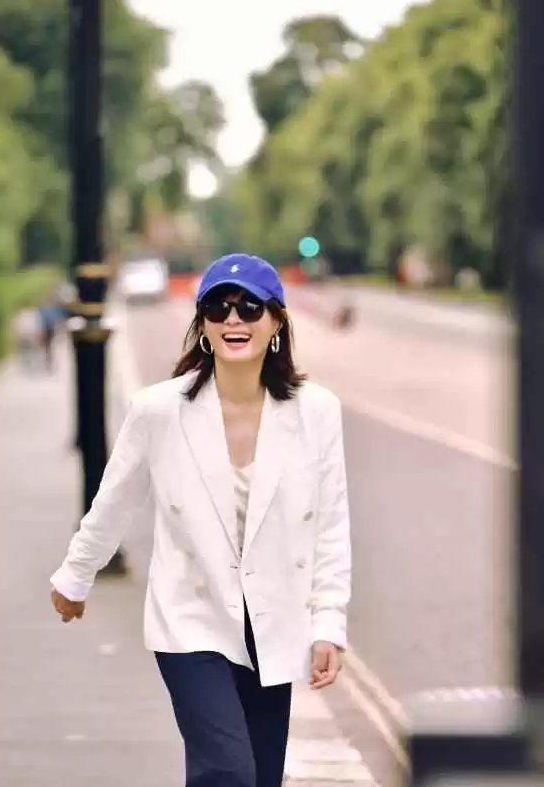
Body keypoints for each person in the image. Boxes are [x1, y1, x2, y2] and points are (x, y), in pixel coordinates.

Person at [50, 253, 352, 787]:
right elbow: (115, 500)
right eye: (218, 308)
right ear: (203, 325)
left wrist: (328, 625)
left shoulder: (316, 411)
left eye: (250, 308)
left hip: (272, 618)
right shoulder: (159, 410)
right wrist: (76, 576)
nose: (233, 319)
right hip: (190, 619)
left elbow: (329, 525)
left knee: (259, 777)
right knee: (227, 771)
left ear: (277, 323)